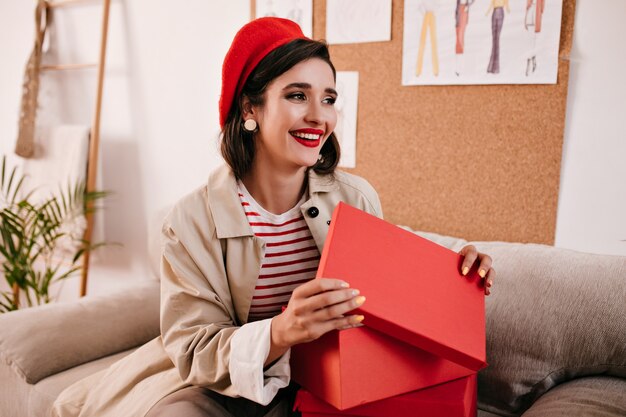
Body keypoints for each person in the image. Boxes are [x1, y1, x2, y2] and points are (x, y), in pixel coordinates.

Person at [53, 17, 495, 417]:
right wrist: (281, 332)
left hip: (328, 382)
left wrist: (457, 267)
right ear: (250, 108)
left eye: (329, 98)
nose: (319, 117)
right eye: (297, 95)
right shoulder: (190, 221)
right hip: (222, 387)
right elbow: (195, 349)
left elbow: (393, 284)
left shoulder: (355, 199)